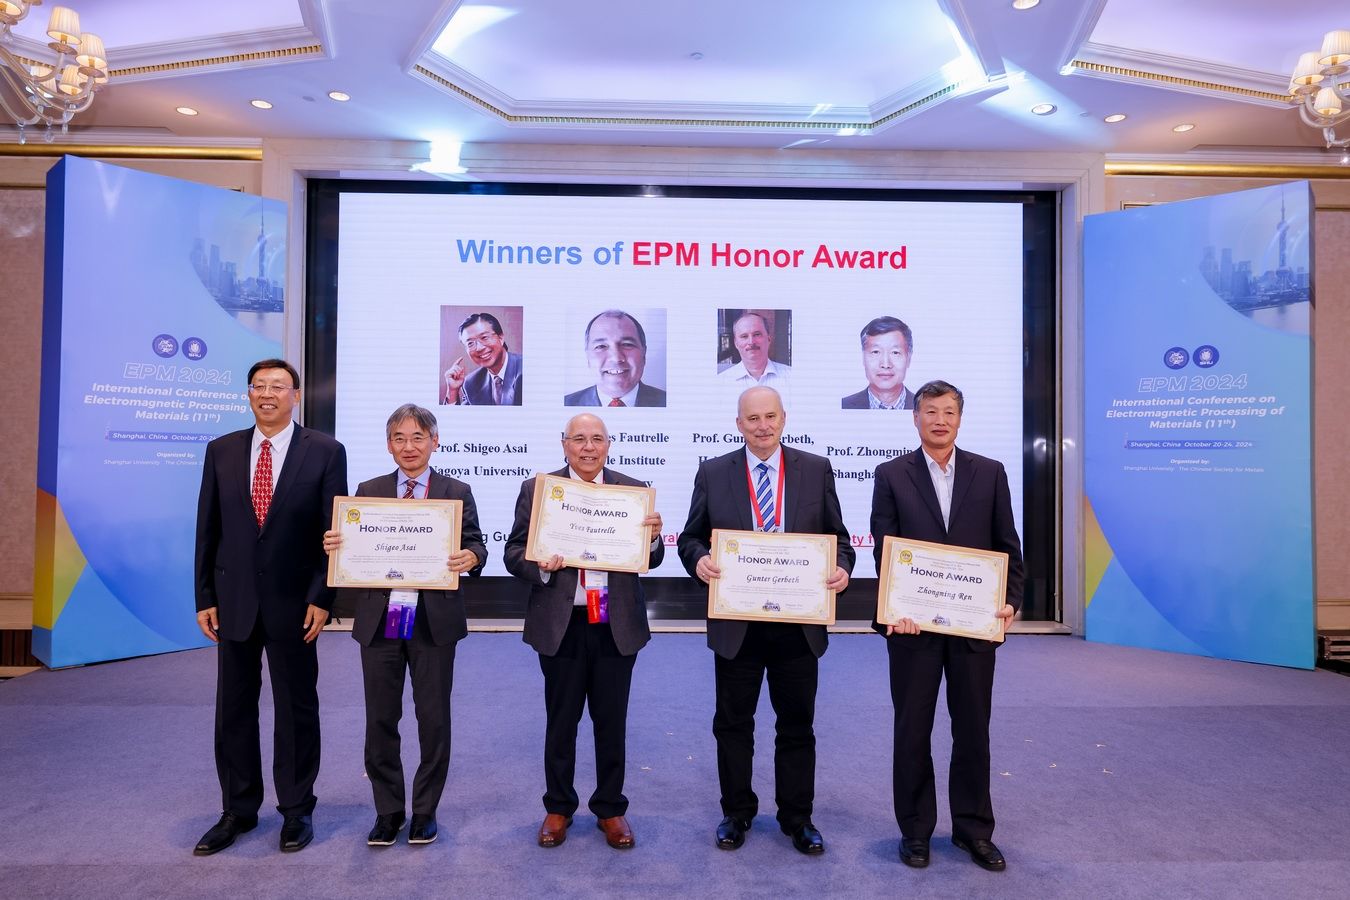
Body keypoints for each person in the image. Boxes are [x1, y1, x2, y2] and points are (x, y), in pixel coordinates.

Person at [677, 386, 854, 855]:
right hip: (738, 625)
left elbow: (839, 539)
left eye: (770, 416)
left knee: (797, 725)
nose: (762, 426)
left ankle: (798, 818)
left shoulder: (815, 469)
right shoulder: (713, 472)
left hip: (799, 625)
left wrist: (841, 568)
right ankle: (736, 812)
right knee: (733, 723)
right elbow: (690, 538)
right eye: (752, 418)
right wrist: (698, 561)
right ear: (739, 424)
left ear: (783, 419)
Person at [193, 358, 348, 855]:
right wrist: (204, 597)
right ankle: (237, 810)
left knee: (296, 708)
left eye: (278, 386)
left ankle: (297, 809)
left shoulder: (325, 451)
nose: (267, 394)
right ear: (248, 394)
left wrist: (323, 597)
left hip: (295, 604)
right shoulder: (221, 450)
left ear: (295, 396)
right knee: (233, 710)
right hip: (233, 601)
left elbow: (333, 533)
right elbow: (207, 528)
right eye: (258, 386)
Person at [869, 379, 1024, 872]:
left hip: (974, 628)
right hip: (912, 629)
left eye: (949, 411)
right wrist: (894, 608)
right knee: (912, 730)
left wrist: (1010, 601)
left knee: (973, 730)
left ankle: (973, 830)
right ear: (915, 417)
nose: (940, 420)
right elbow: (885, 551)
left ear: (960, 418)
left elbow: (1007, 547)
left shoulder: (990, 472)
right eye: (930, 411)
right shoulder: (891, 475)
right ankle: (915, 831)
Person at [322, 404, 487, 848]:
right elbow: (351, 547)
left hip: (434, 622)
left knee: (433, 719)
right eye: (399, 438)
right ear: (388, 444)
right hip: (380, 621)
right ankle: (388, 811)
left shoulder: (457, 491)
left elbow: (476, 544)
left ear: (435, 441)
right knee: (380, 718)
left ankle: (425, 811)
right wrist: (336, 544)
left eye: (418, 437)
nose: (408, 447)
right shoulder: (369, 490)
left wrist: (471, 556)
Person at [504, 413, 665, 849]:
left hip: (615, 624)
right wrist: (538, 564)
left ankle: (610, 808)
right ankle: (558, 806)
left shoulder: (632, 492)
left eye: (597, 439)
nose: (588, 447)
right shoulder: (539, 491)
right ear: (564, 444)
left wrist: (653, 539)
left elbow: (652, 559)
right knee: (562, 720)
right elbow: (513, 551)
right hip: (562, 625)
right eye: (579, 439)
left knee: (611, 721)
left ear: (608, 445)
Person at [563, 310, 667, 407]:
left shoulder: (669, 403)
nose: (616, 358)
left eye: (627, 344)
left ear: (644, 353)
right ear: (588, 356)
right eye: (601, 346)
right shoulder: (567, 404)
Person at [443, 312, 523, 405]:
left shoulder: (525, 369)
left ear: (500, 338)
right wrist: (452, 391)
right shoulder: (471, 383)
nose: (479, 348)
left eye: (484, 337)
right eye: (470, 343)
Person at [717, 312, 792, 407]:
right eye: (744, 336)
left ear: (769, 339)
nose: (751, 342)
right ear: (736, 343)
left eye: (757, 334)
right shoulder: (720, 384)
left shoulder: (792, 377)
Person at [841, 316, 916, 410]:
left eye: (895, 352)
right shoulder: (844, 406)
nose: (885, 364)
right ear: (863, 357)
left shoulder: (924, 407)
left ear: (908, 358)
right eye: (876, 352)